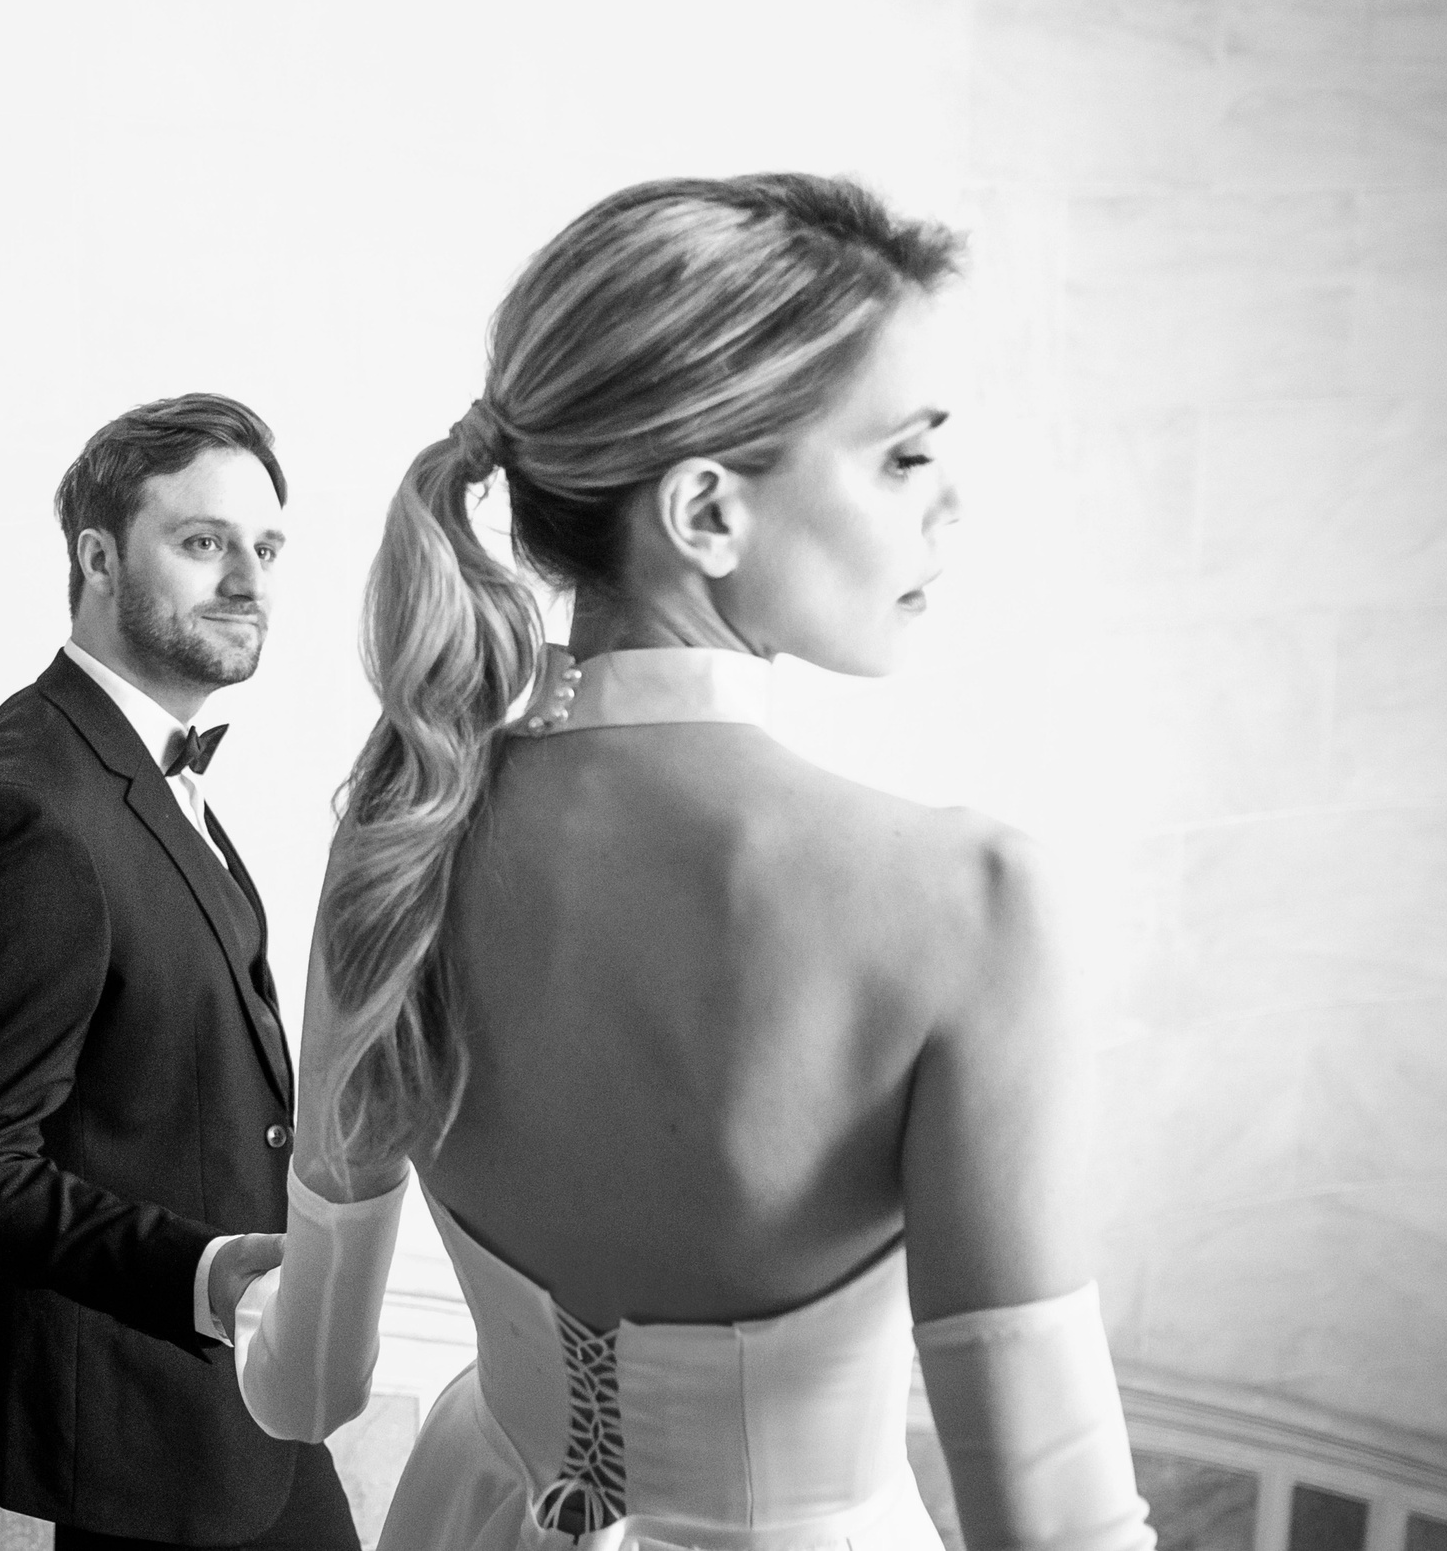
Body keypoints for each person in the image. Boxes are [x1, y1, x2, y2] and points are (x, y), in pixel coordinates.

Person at [229, 177, 1157, 1551]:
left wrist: (228, 1289)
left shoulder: (404, 824)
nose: (949, 502)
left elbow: (308, 1386)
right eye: (904, 455)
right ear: (707, 510)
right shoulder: (968, 907)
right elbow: (1057, 1525)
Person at [0, 393, 355, 1551]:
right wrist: (210, 1274)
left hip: (235, 1399)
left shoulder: (129, 763)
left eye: (266, 549)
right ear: (97, 558)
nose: (248, 581)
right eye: (204, 543)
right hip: (151, 1427)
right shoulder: (28, 808)